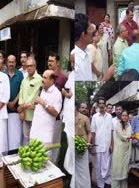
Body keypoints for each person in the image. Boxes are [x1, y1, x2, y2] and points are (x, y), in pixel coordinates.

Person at [30, 70, 62, 161]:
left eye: (45, 78)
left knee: (44, 161)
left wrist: (44, 103)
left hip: (45, 135)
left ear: (52, 81)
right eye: (42, 77)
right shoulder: (41, 89)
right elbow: (38, 107)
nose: (42, 79)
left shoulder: (57, 94)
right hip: (35, 131)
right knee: (33, 159)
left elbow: (56, 112)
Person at [47, 53, 67, 163]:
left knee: (55, 142)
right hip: (46, 115)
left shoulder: (63, 78)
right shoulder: (45, 76)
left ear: (57, 63)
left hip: (56, 116)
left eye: (52, 61)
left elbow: (66, 95)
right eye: (48, 61)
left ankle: (54, 164)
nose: (49, 63)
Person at [17, 58, 42, 145]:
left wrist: (33, 105)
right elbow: (21, 96)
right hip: (25, 114)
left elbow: (39, 95)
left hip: (35, 114)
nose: (29, 68)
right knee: (26, 138)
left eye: (31, 66)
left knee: (35, 138)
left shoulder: (40, 80)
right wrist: (21, 111)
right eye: (27, 66)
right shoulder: (24, 80)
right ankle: (26, 157)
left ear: (35, 66)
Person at [91, 97, 113, 188]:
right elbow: (93, 132)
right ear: (98, 105)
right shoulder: (95, 117)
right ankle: (100, 185)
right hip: (98, 146)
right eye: (99, 103)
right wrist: (93, 147)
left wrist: (112, 144)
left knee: (107, 166)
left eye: (103, 103)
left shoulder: (110, 116)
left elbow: (111, 131)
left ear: (105, 104)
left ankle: (107, 182)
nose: (101, 105)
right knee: (98, 167)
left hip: (107, 146)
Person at [4, 55, 24, 150]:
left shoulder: (20, 74)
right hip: (4, 109)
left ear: (16, 63)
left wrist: (14, 102)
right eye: (9, 62)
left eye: (13, 62)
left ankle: (14, 154)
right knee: (5, 135)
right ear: (6, 63)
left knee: (15, 135)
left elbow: (22, 89)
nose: (11, 64)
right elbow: (1, 91)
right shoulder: (3, 74)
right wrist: (7, 102)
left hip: (16, 109)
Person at [63, 51, 75, 183]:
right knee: (69, 146)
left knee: (73, 147)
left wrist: (66, 93)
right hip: (68, 117)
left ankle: (71, 173)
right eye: (71, 61)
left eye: (74, 61)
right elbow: (67, 90)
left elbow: (69, 93)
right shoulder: (72, 75)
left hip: (74, 118)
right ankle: (69, 170)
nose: (73, 64)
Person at [111, 110, 133, 188]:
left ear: (127, 117)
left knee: (124, 169)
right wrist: (129, 137)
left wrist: (132, 137)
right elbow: (121, 136)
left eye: (125, 115)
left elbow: (130, 134)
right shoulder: (118, 124)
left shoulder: (129, 126)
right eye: (123, 115)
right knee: (118, 168)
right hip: (118, 150)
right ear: (121, 116)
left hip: (126, 151)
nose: (124, 117)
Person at [74, 101, 92, 188]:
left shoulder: (85, 118)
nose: (84, 109)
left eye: (85, 108)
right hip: (73, 147)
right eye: (82, 108)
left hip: (83, 146)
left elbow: (89, 132)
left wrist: (88, 142)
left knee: (84, 169)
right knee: (74, 169)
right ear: (79, 108)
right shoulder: (70, 117)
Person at [74, 13, 93, 81]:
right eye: (90, 28)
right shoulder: (76, 63)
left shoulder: (87, 50)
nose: (93, 31)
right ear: (83, 35)